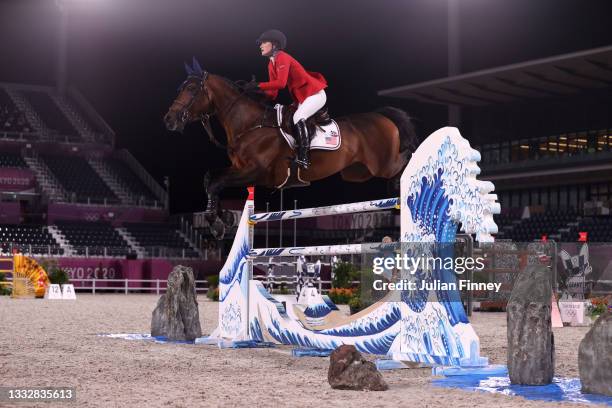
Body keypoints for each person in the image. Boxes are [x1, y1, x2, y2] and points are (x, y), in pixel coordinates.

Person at [247, 29, 328, 169]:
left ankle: (304, 157)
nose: (260, 45)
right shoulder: (271, 64)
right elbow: (273, 92)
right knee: (288, 116)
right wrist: (256, 95)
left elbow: (281, 83)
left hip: (315, 94)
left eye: (263, 42)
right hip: (303, 98)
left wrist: (258, 85)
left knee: (298, 117)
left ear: (274, 45)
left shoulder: (282, 57)